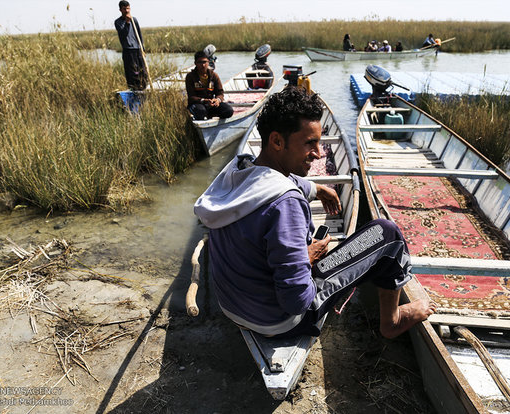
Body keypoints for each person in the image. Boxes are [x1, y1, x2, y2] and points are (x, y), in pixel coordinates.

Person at [194, 87, 436, 340]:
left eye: (319, 143)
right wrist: (305, 258)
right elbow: (296, 302)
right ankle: (393, 321)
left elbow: (269, 180)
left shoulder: (236, 170)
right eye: (310, 143)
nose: (319, 153)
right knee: (388, 234)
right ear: (277, 141)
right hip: (279, 320)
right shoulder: (286, 204)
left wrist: (316, 189)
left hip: (234, 308)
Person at [185, 50, 233, 121]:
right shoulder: (190, 76)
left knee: (228, 110)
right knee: (201, 111)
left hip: (211, 104)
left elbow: (220, 93)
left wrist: (217, 100)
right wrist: (204, 100)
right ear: (195, 63)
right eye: (200, 62)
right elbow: (191, 97)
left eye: (204, 62)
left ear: (208, 62)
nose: (203, 65)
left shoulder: (214, 76)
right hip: (197, 104)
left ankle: (214, 122)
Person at [114, 1, 147, 90]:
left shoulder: (134, 20)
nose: (127, 11)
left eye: (128, 8)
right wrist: (127, 22)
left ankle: (143, 88)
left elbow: (139, 34)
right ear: (120, 10)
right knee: (132, 73)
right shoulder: (118, 22)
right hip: (128, 50)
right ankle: (134, 90)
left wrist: (142, 48)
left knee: (143, 71)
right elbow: (123, 34)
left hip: (137, 48)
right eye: (124, 9)